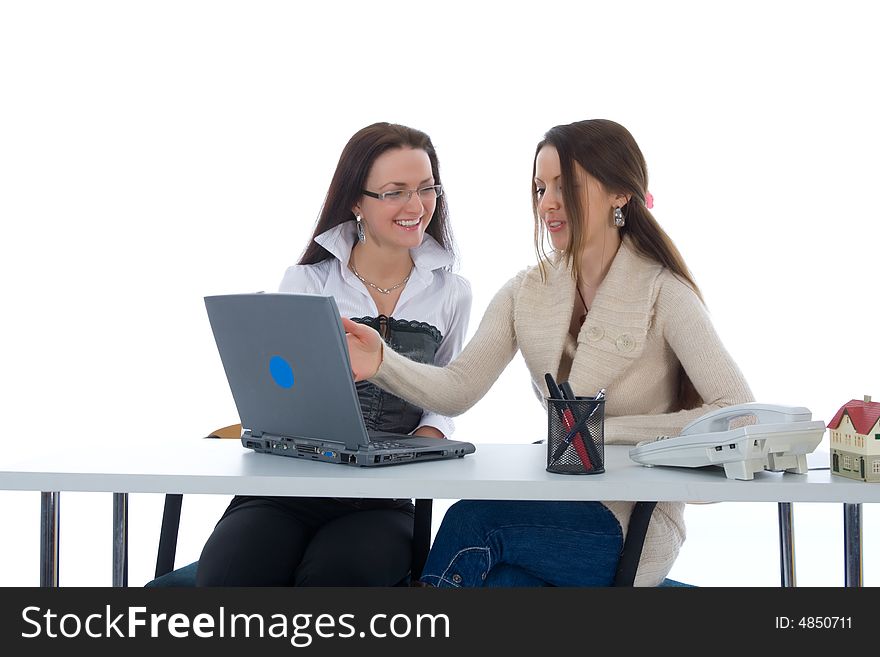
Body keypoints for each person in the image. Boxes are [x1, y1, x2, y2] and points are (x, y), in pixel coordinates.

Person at [342, 119, 753, 587]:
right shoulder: (526, 291)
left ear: (620, 194)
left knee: (474, 522)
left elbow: (739, 416)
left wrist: (600, 431)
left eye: (567, 186)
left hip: (626, 523)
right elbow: (458, 388)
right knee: (499, 583)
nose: (548, 203)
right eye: (540, 187)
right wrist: (381, 362)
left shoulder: (665, 293)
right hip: (553, 500)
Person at [196, 122, 472, 586]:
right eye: (394, 192)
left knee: (337, 577)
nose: (415, 206)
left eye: (427, 189)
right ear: (355, 201)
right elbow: (279, 391)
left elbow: (446, 393)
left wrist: (429, 432)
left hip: (382, 499)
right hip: (288, 488)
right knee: (232, 577)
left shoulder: (452, 292)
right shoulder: (307, 282)